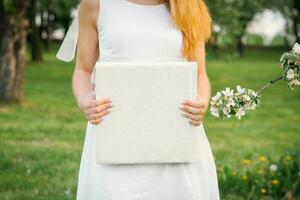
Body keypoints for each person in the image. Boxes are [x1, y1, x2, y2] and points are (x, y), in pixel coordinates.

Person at [57, 0, 220, 199]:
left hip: (176, 135)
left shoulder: (189, 5)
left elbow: (200, 74)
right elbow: (83, 69)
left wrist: (201, 100)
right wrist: (85, 99)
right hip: (114, 135)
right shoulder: (96, 4)